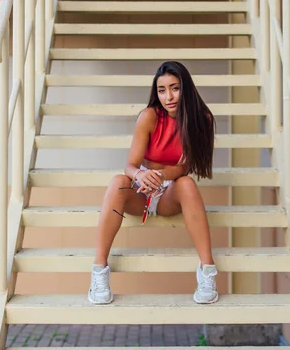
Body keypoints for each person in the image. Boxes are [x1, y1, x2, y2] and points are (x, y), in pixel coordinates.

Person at [88, 61, 219, 305]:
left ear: (186, 88)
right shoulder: (149, 116)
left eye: (175, 88)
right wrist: (139, 175)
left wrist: (160, 176)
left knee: (188, 184)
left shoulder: (203, 119)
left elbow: (186, 167)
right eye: (161, 90)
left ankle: (208, 271)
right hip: (141, 190)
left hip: (170, 191)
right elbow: (131, 165)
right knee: (118, 181)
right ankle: (99, 271)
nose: (168, 96)